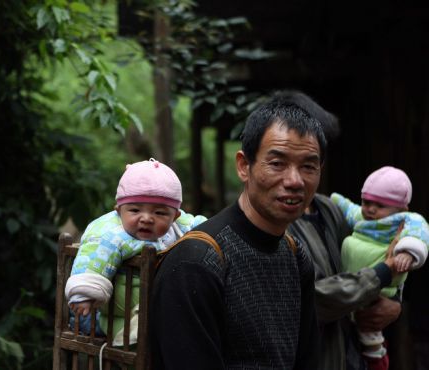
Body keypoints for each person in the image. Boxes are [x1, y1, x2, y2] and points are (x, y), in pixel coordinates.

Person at [149, 92, 323, 369]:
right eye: (277, 163)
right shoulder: (196, 262)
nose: (294, 180)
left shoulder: (294, 255)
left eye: (308, 166)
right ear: (244, 166)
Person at [282, 90, 419, 370]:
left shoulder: (328, 209)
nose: (295, 178)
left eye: (311, 161)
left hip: (349, 354)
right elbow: (310, 301)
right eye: (281, 161)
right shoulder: (275, 223)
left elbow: (374, 253)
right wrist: (381, 275)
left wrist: (394, 303)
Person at [65, 158, 206, 343]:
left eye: (160, 213)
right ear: (119, 210)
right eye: (135, 210)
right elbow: (92, 259)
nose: (146, 218)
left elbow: (203, 229)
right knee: (140, 339)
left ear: (175, 216)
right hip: (118, 319)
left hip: (156, 312)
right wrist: (84, 294)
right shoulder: (111, 234)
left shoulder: (179, 229)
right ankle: (94, 326)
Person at [331, 166, 429, 361]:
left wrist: (408, 253)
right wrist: (333, 199)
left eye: (380, 205)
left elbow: (419, 234)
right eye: (366, 202)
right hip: (350, 282)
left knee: (369, 331)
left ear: (402, 209)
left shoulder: (407, 219)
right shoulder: (362, 215)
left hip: (379, 284)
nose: (370, 209)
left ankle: (375, 356)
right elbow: (349, 209)